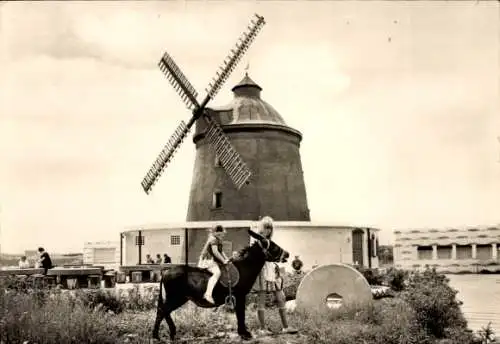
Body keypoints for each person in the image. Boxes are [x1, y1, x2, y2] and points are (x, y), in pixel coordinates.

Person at [255, 216, 298, 336]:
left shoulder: (270, 242)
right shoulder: (258, 241)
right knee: (261, 300)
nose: (268, 230)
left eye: (270, 228)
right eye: (266, 227)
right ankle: (262, 329)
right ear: (262, 228)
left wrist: (279, 259)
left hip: (273, 270)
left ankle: (285, 327)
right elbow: (263, 256)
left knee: (281, 298)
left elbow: (275, 255)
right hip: (262, 270)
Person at [198, 224, 230, 304]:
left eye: (222, 234)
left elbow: (221, 251)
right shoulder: (213, 239)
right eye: (219, 234)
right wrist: (223, 261)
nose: (221, 236)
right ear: (215, 233)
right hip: (207, 260)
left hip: (212, 261)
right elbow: (215, 252)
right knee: (217, 273)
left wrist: (226, 259)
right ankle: (208, 294)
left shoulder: (218, 239)